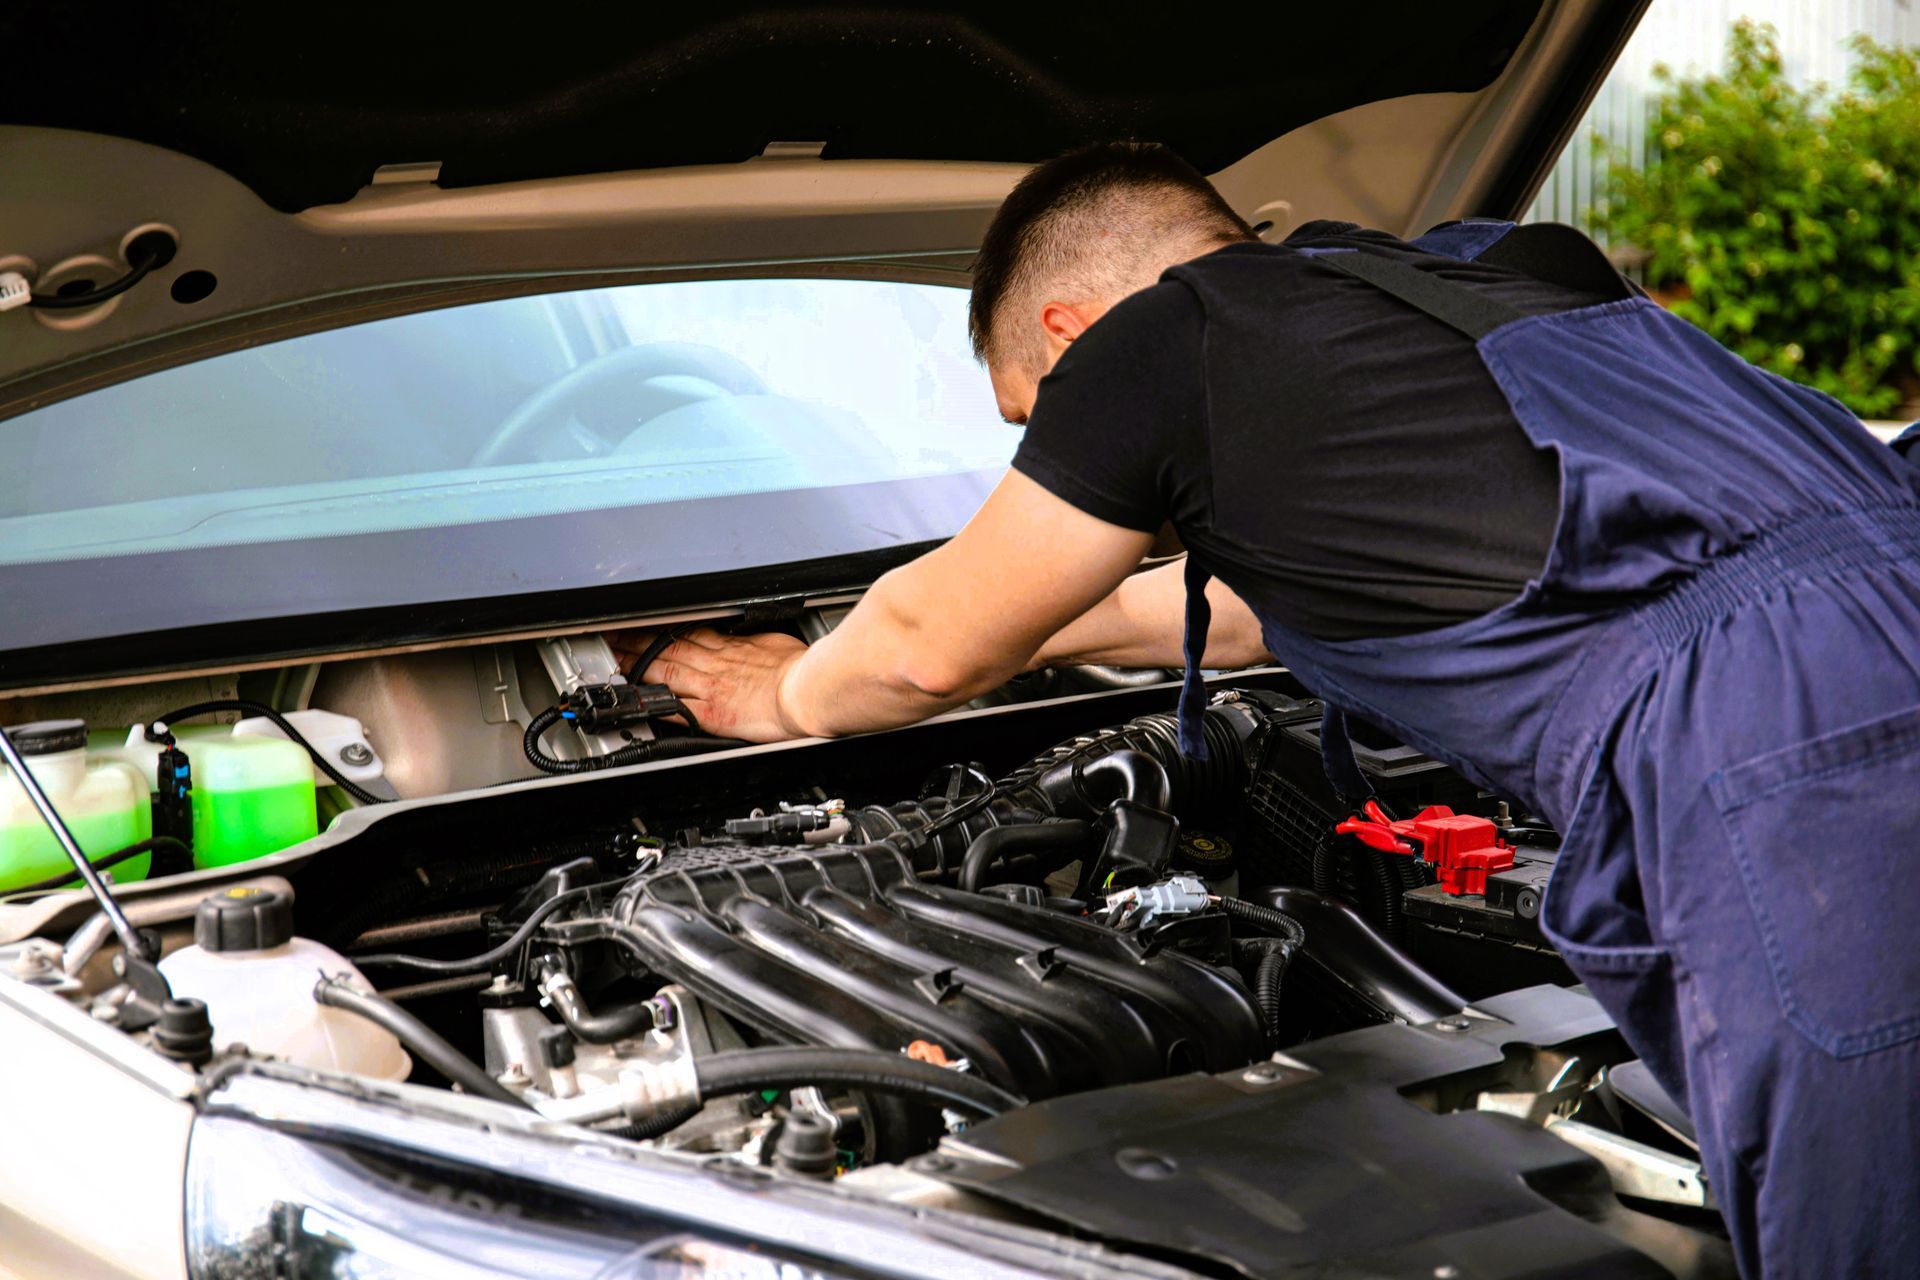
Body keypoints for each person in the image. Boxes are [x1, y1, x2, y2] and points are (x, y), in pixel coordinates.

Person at [626, 142, 1920, 1277]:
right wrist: (1021, 630)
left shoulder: (1158, 340)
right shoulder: (1495, 276)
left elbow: (919, 653)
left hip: (1786, 742)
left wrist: (775, 692)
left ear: (1072, 335)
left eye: (1033, 415)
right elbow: (1229, 603)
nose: (1051, 440)